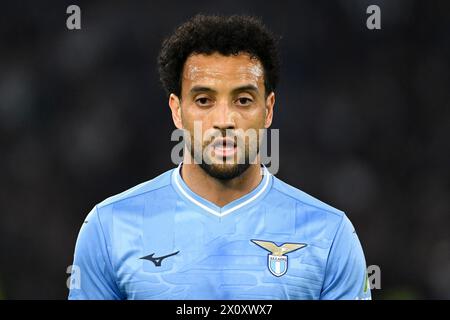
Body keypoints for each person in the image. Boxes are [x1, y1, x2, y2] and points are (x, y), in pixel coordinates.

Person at [68, 14, 371, 300]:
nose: (224, 119)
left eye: (242, 100)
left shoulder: (329, 235)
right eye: (204, 100)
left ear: (268, 109)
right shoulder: (110, 228)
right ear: (177, 110)